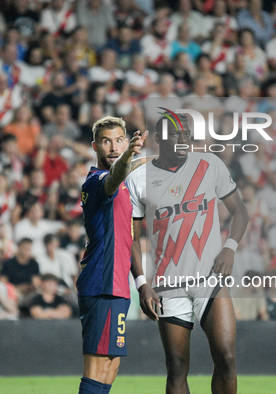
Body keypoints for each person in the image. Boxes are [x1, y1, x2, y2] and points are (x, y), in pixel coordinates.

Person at [128, 112, 249, 394]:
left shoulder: (210, 164)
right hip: (168, 286)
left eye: (187, 135)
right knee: (177, 368)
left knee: (227, 358)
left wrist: (230, 248)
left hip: (210, 279)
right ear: (159, 139)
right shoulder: (139, 180)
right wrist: (142, 284)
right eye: (176, 135)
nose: (183, 140)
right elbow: (131, 240)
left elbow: (240, 211)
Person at [77, 116, 146, 394]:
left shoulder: (126, 185)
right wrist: (130, 155)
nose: (114, 147)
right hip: (101, 284)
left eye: (120, 140)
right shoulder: (98, 181)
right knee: (96, 368)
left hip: (117, 285)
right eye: (106, 141)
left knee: (110, 368)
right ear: (95, 146)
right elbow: (115, 176)